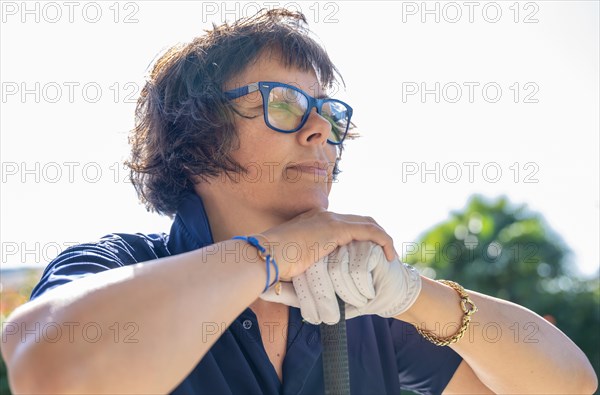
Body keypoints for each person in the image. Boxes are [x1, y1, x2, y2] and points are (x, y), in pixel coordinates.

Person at [1, 9, 597, 395]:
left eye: (330, 114)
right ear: (194, 132)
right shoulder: (119, 268)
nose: (320, 130)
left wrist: (414, 294)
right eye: (283, 103)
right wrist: (272, 253)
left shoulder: (362, 309)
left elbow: (568, 386)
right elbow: (53, 369)